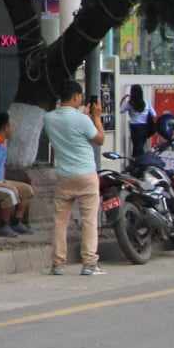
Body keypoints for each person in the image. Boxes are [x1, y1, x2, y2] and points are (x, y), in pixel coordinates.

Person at [44, 80, 106, 277]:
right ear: (76, 97)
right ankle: (89, 263)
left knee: (60, 221)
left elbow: (70, 131)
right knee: (89, 220)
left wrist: (86, 118)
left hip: (63, 176)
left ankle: (58, 264)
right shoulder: (83, 120)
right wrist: (96, 117)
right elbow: (99, 139)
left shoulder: (49, 118)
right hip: (86, 175)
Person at [121, 85, 156, 159]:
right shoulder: (146, 103)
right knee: (139, 146)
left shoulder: (130, 104)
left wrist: (123, 98)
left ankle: (138, 162)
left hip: (134, 127)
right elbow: (154, 114)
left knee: (137, 146)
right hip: (144, 127)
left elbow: (121, 110)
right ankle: (139, 161)